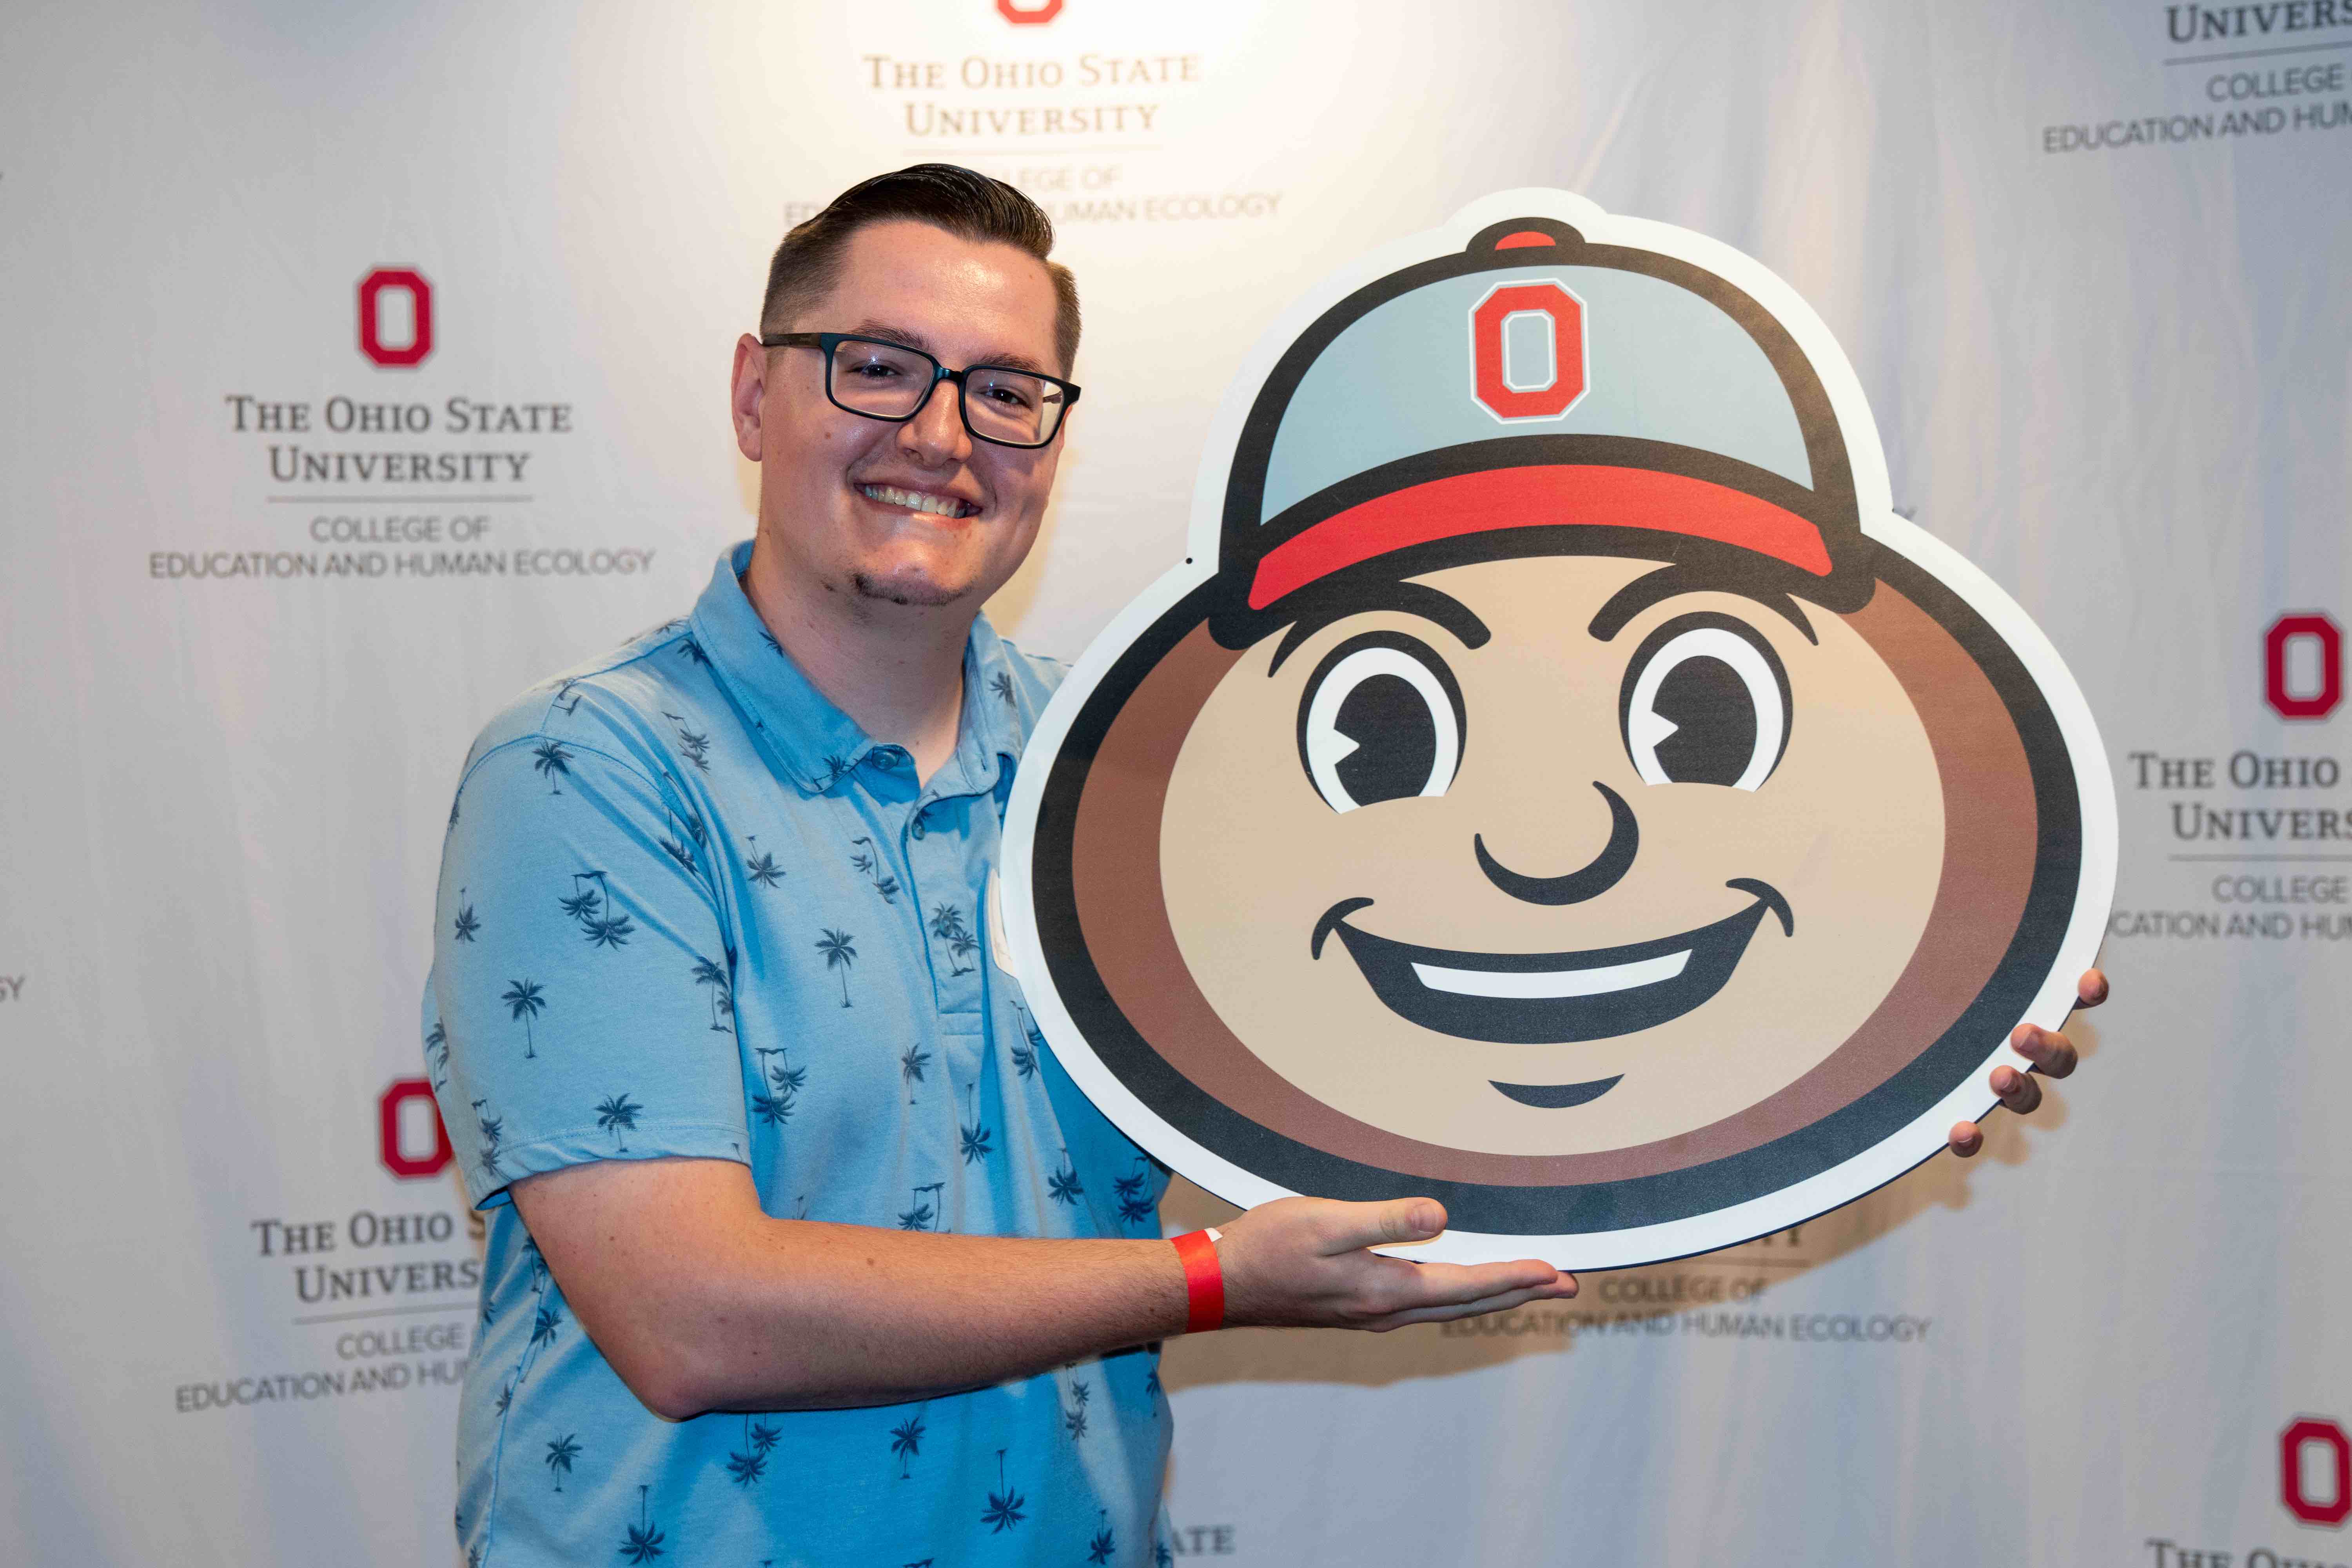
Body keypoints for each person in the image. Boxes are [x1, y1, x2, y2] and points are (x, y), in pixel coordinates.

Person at [422, 163, 2104, 1566]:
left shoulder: (1124, 789)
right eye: (877, 366)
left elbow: (1482, 1033)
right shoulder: (594, 771)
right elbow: (690, 1315)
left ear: (1051, 437)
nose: (940, 433)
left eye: (1005, 391)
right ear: (754, 391)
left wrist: (1912, 1036)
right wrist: (1216, 1281)